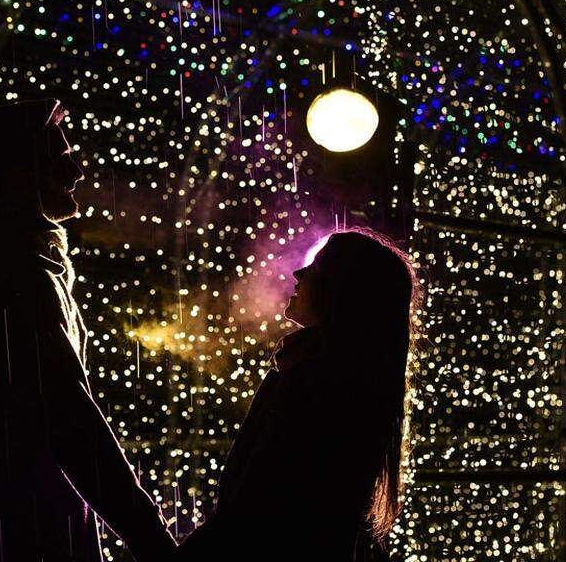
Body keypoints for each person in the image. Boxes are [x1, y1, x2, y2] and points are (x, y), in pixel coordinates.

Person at [0, 98, 176, 561]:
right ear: (19, 175)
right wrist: (153, 539)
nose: (78, 172)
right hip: (26, 536)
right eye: (61, 159)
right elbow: (68, 417)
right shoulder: (14, 270)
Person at [177, 228, 423, 562]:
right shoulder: (349, 383)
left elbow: (253, 509)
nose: (298, 273)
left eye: (317, 269)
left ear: (341, 293)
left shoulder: (315, 381)